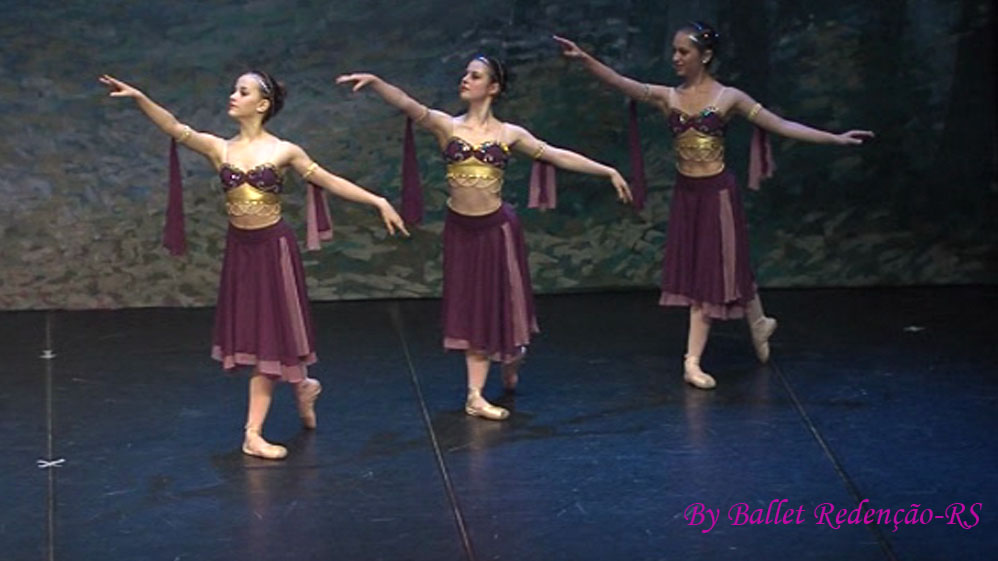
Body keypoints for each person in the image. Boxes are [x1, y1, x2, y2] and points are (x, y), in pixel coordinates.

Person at [99, 72, 408, 458]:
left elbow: (328, 180)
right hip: (241, 252)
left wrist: (377, 200)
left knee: (268, 338)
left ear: (261, 105)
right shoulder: (219, 149)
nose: (232, 96)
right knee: (263, 332)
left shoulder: (284, 151)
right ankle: (304, 386)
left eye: (241, 92)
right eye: (233, 89)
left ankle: (252, 434)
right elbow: (176, 128)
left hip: (273, 250)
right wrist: (140, 97)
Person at [554, 23, 873, 389]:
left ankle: (692, 361)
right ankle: (758, 323)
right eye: (673, 51)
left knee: (711, 274)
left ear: (704, 56)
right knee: (720, 265)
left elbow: (780, 124)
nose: (675, 58)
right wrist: (584, 59)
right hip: (687, 196)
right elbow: (620, 82)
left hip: (718, 194)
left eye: (683, 52)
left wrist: (834, 139)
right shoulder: (667, 97)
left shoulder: (728, 98)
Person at [336, 55, 632, 419]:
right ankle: (475, 394)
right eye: (464, 74)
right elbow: (410, 106)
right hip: (463, 231)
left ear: (493, 88)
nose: (465, 80)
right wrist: (377, 82)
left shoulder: (509, 134)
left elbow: (555, 155)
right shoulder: (448, 127)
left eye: (474, 76)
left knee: (503, 304)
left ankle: (512, 356)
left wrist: (607, 171)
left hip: (498, 230)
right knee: (470, 305)